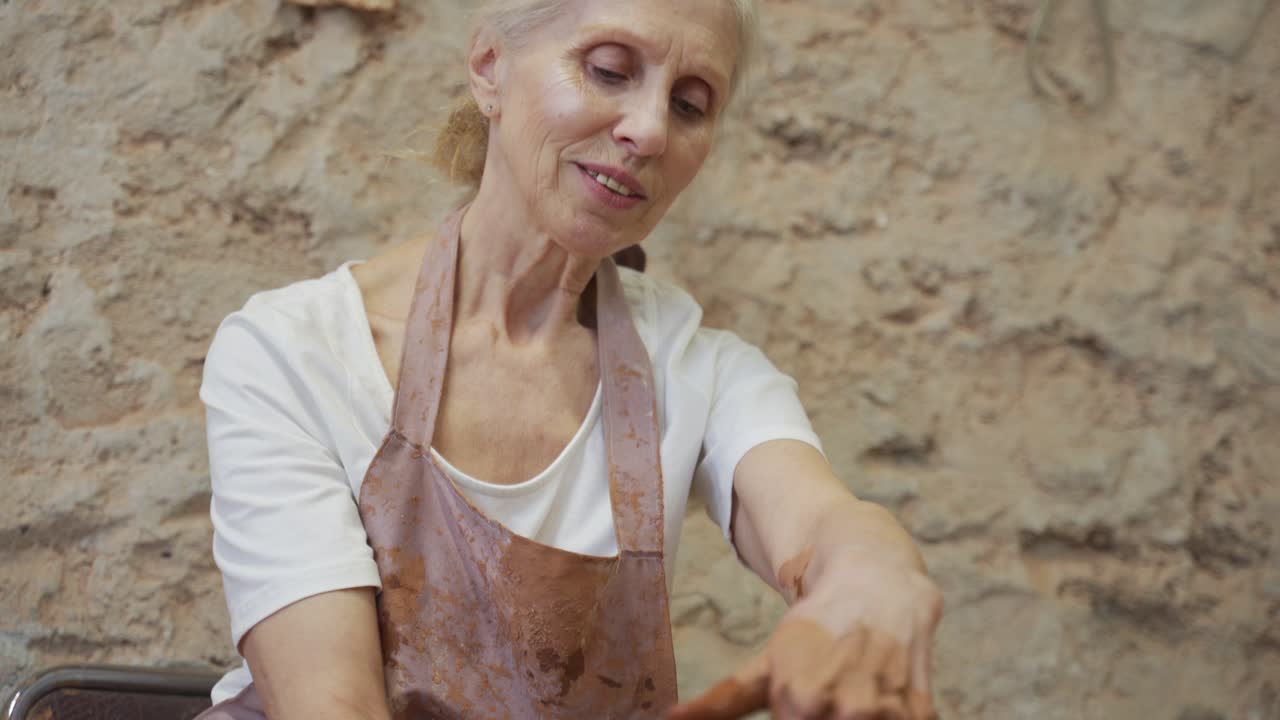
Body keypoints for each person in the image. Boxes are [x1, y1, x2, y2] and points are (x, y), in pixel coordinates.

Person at [195, 1, 943, 718]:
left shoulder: (693, 368)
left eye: (689, 105)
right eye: (610, 70)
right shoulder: (295, 353)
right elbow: (333, 708)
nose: (649, 129)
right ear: (490, 66)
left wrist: (874, 579)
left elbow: (821, 522)